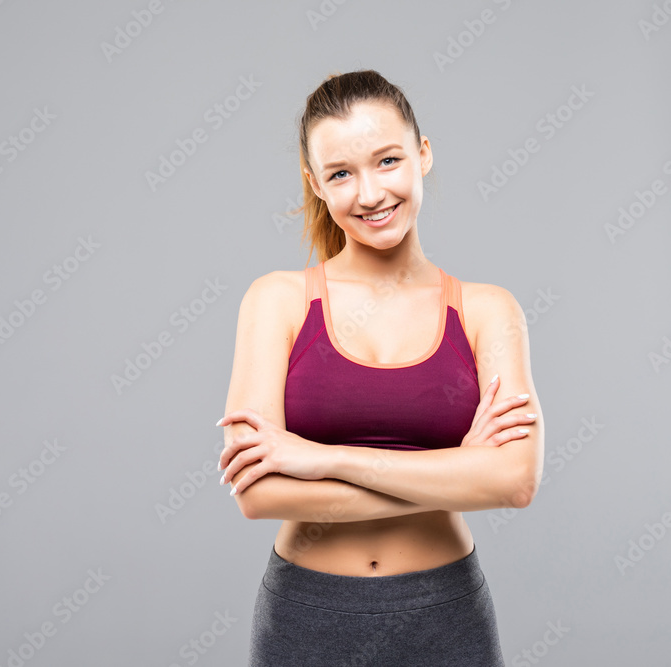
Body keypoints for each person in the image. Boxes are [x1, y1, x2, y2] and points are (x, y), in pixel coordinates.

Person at [216, 69, 543, 666]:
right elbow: (258, 493)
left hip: (444, 616)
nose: (369, 194)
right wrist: (458, 471)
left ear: (423, 153)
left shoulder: (488, 310)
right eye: (341, 173)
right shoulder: (278, 300)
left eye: (387, 161)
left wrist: (325, 459)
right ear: (315, 184)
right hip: (306, 616)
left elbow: (514, 481)